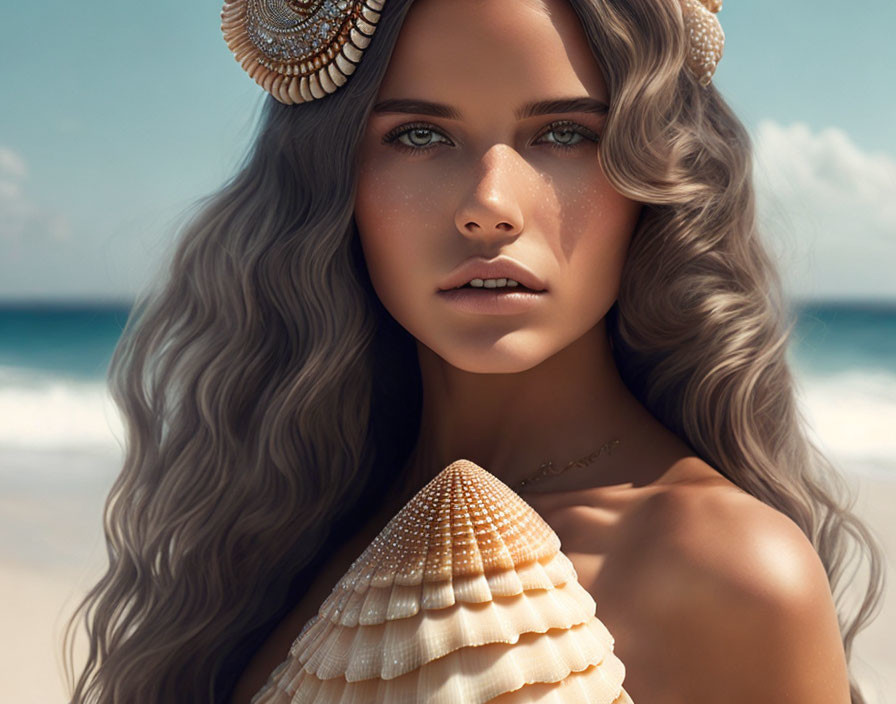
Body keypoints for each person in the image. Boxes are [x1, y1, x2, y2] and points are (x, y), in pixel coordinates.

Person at [63, 0, 885, 702]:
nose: (489, 205)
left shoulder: (731, 577)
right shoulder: (276, 534)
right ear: (332, 184)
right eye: (419, 135)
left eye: (565, 133)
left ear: (652, 179)